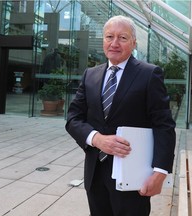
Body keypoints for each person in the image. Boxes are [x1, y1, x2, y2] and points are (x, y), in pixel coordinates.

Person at [65, 15, 176, 216]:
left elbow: (163, 125)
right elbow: (73, 118)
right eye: (109, 37)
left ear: (134, 43)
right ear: (103, 41)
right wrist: (96, 139)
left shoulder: (149, 74)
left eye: (123, 38)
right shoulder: (90, 74)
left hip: (133, 174)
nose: (114, 43)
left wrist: (160, 172)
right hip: (95, 174)